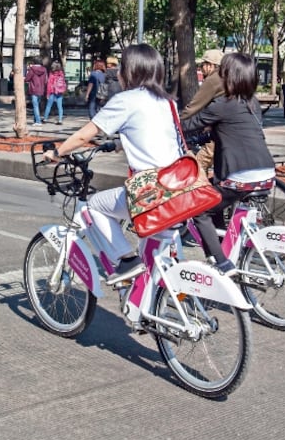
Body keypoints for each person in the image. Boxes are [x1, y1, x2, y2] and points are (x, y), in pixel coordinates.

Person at [44, 44, 183, 283]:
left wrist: (57, 152)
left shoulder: (126, 100)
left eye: (122, 66)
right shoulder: (167, 102)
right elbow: (155, 134)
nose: (118, 71)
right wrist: (120, 143)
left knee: (95, 206)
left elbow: (83, 135)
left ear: (131, 71)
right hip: (179, 187)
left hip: (152, 191)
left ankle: (127, 260)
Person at [181, 53, 277, 273]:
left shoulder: (223, 104)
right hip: (266, 172)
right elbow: (228, 132)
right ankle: (222, 245)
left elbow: (189, 124)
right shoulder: (251, 103)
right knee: (214, 196)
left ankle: (221, 264)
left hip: (241, 176)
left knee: (198, 210)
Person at [180, 49, 225, 172]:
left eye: (203, 64)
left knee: (198, 167)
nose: (201, 68)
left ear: (211, 65)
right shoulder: (226, 76)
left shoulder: (213, 79)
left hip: (222, 130)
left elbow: (194, 106)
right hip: (230, 129)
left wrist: (177, 120)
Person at [25, 57, 48, 125]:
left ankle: (38, 121)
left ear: (34, 62)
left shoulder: (32, 69)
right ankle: (36, 120)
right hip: (41, 89)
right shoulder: (44, 69)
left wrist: (27, 72)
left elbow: (27, 79)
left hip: (34, 89)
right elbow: (46, 80)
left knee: (35, 106)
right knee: (37, 105)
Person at [43, 60, 67, 125]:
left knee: (48, 106)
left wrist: (48, 94)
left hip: (52, 92)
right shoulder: (61, 74)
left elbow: (49, 84)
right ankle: (60, 120)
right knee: (60, 106)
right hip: (59, 92)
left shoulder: (52, 74)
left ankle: (45, 119)